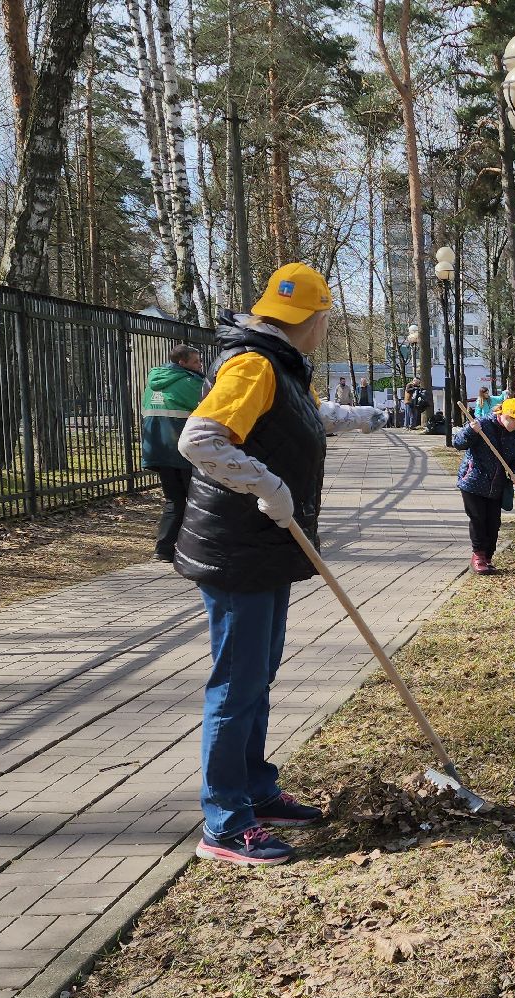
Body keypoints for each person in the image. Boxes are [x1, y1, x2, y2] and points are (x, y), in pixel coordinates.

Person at [175, 262, 385, 866]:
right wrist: (266, 484)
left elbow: (305, 417)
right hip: (237, 546)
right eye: (326, 318)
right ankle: (224, 821)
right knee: (237, 684)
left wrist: (367, 419)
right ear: (315, 319)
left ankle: (256, 790)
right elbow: (202, 440)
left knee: (257, 674)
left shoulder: (281, 364)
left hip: (264, 545)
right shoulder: (252, 364)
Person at [139, 344, 206, 563]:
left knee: (174, 501)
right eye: (196, 361)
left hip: (159, 449)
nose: (200, 365)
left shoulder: (153, 382)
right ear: (182, 363)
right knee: (196, 500)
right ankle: (195, 548)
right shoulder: (189, 382)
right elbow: (209, 407)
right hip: (184, 449)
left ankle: (163, 549)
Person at [453, 396, 515, 575]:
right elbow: (458, 443)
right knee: (478, 519)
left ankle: (488, 557)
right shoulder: (481, 425)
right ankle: (478, 557)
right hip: (473, 481)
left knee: (494, 523)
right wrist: (470, 432)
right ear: (506, 416)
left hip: (496, 485)